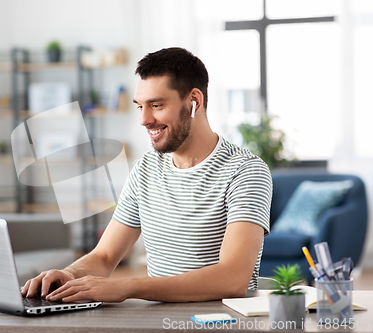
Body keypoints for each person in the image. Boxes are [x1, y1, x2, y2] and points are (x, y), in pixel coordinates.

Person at [21, 47, 272, 303]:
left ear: (194, 101)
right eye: (140, 106)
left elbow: (232, 279)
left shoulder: (245, 171)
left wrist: (128, 287)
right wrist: (68, 274)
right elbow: (105, 256)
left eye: (156, 105)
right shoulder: (146, 169)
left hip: (222, 322)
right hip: (158, 321)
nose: (144, 119)